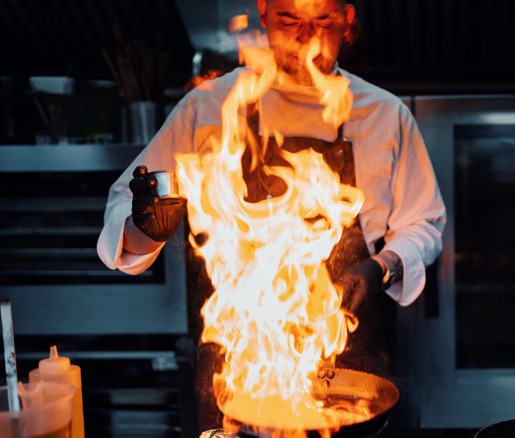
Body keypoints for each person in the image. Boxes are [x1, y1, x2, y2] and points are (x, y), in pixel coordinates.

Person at [97, 0, 446, 431]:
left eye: (323, 22)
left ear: (348, 20)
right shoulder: (208, 108)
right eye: (289, 20)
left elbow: (425, 224)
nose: (307, 39)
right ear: (263, 13)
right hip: (236, 364)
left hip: (350, 364)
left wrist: (379, 268)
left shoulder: (385, 115)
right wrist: (148, 228)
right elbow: (123, 222)